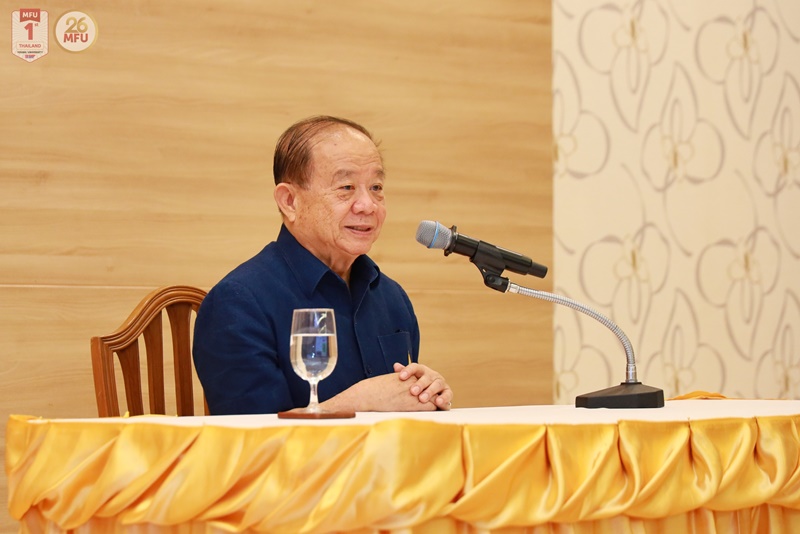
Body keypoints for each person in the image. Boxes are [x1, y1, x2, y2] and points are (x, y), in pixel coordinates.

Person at [193, 115, 453, 415]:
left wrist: (427, 392)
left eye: (376, 187)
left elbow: (398, 408)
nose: (368, 205)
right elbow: (252, 437)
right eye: (346, 187)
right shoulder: (237, 304)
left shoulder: (392, 298)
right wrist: (358, 403)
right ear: (289, 201)